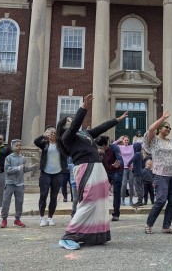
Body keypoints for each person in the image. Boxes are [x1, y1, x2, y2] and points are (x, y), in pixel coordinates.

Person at [56, 94, 127, 250]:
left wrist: (117, 120)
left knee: (101, 201)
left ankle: (96, 234)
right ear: (63, 127)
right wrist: (83, 108)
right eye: (68, 121)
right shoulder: (66, 138)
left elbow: (101, 128)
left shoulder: (84, 134)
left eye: (71, 120)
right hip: (85, 168)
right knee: (89, 201)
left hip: (97, 167)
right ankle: (69, 235)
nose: (71, 122)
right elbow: (75, 125)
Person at [34, 125, 68, 227]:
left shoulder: (60, 144)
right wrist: (43, 135)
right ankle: (41, 217)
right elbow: (36, 141)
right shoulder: (44, 144)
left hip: (57, 173)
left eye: (54, 133)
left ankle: (50, 217)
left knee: (54, 197)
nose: (53, 134)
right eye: (51, 132)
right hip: (45, 173)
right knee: (43, 195)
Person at [0, 139, 38, 228]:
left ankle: (17, 219)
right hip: (10, 183)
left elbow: (23, 169)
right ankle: (4, 219)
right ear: (13, 147)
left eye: (20, 145)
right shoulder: (8, 158)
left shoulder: (22, 158)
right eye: (17, 145)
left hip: (20, 183)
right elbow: (6, 170)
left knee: (19, 202)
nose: (19, 147)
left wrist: (32, 167)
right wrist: (17, 168)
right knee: (6, 201)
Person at [100, 136, 124, 221]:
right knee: (101, 191)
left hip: (117, 171)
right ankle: (102, 212)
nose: (102, 149)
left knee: (116, 192)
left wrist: (118, 163)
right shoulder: (99, 149)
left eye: (103, 147)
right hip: (107, 171)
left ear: (105, 145)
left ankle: (116, 214)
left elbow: (120, 159)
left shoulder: (114, 148)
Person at [113, 135, 135, 206]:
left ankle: (131, 200)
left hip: (131, 167)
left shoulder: (132, 147)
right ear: (123, 141)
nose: (126, 141)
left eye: (127, 140)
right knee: (124, 184)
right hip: (123, 167)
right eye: (125, 140)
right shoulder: (120, 147)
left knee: (131, 184)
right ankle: (122, 200)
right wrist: (119, 140)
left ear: (129, 141)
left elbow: (142, 146)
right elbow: (112, 145)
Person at [127, 142, 145, 207]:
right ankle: (141, 200)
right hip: (140, 172)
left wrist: (130, 167)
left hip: (137, 173)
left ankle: (139, 202)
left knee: (138, 188)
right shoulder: (140, 154)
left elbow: (129, 162)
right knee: (140, 187)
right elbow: (143, 164)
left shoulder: (136, 154)